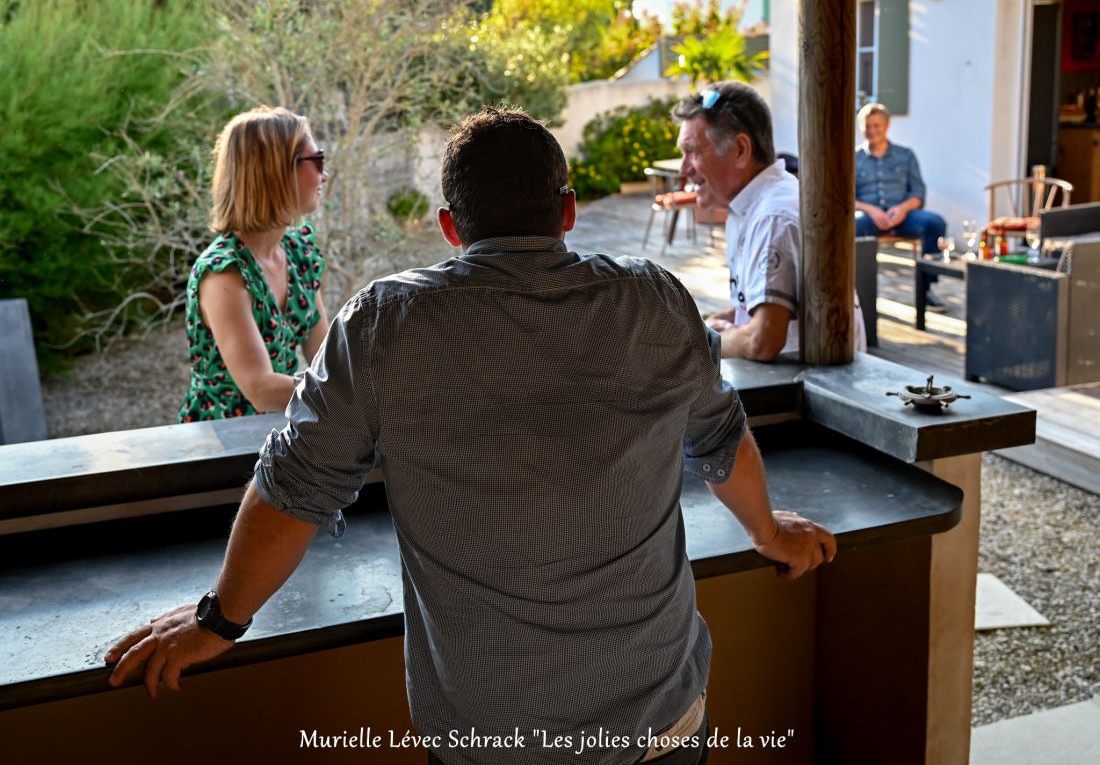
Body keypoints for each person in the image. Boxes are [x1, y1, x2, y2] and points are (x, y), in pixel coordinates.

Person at [106, 107, 835, 765]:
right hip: (660, 725)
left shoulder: (384, 325)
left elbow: (291, 488)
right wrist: (770, 532)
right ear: (570, 211)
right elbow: (721, 437)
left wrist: (218, 619)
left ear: (451, 227)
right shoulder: (656, 300)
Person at [673, 83, 865, 360]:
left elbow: (763, 340)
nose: (684, 168)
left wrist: (707, 341)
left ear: (740, 150)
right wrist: (719, 323)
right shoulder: (753, 203)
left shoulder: (772, 217)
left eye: (692, 151)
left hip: (810, 391)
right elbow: (755, 312)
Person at [177, 106, 330, 422]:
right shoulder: (223, 274)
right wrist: (355, 393)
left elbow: (325, 360)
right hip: (221, 449)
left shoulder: (298, 251)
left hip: (277, 433)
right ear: (275, 170)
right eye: (316, 160)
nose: (323, 174)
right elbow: (261, 388)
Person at [854, 102, 948, 311]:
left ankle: (926, 289)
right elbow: (846, 197)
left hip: (904, 215)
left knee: (935, 223)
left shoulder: (906, 155)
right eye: (867, 126)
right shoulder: (854, 158)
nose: (872, 131)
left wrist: (903, 208)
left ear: (886, 126)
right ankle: (860, 291)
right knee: (852, 227)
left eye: (876, 125)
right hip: (869, 218)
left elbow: (918, 193)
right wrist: (870, 210)